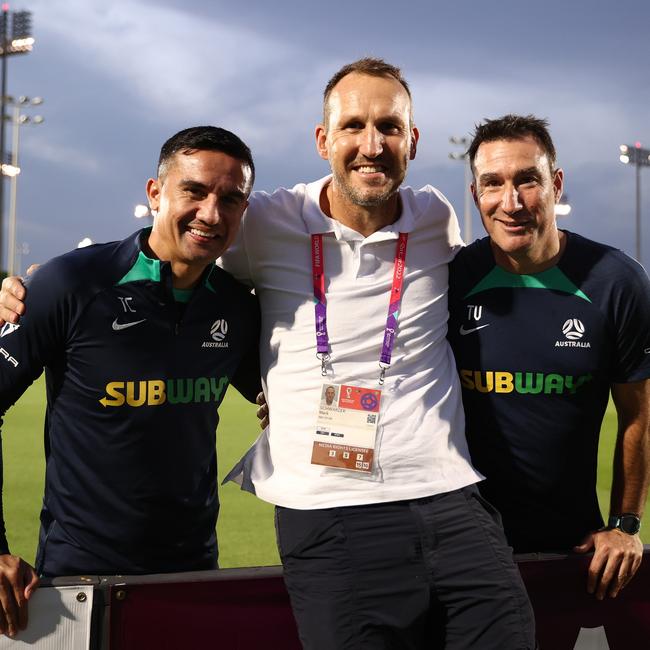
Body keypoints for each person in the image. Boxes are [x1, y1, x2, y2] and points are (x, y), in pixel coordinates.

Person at [0, 61, 536, 649]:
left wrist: (272, 395)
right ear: (323, 139)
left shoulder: (434, 219)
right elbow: (155, 254)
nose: (371, 144)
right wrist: (36, 287)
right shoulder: (257, 227)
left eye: (389, 126)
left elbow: (254, 358)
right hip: (288, 516)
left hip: (427, 499)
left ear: (413, 140)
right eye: (353, 125)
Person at [0, 126, 260, 637]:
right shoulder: (71, 283)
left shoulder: (237, 307)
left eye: (231, 199)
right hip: (75, 582)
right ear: (155, 193)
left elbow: (287, 394)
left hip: (192, 578)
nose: (212, 212)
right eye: (195, 191)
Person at [447, 114, 650, 600]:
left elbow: (637, 414)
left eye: (527, 180)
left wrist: (624, 524)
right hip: (459, 547)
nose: (511, 202)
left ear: (555, 184)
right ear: (476, 196)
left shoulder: (616, 282)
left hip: (573, 550)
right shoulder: (451, 278)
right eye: (493, 184)